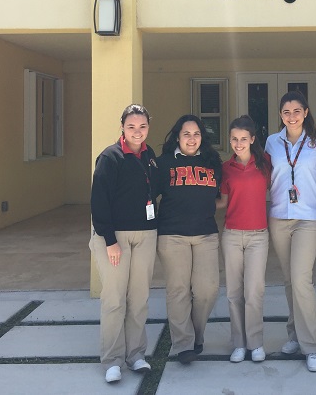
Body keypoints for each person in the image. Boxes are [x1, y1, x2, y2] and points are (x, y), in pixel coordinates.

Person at [89, 104, 157, 383]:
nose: (137, 132)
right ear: (122, 128)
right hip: (114, 237)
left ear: (148, 128)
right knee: (115, 299)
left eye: (142, 126)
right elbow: (98, 201)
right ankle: (113, 360)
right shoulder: (110, 156)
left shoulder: (150, 155)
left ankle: (136, 354)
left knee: (139, 299)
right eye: (131, 127)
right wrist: (110, 240)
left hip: (146, 236)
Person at [264, 91, 316, 372]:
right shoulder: (271, 142)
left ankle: (312, 345)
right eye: (286, 112)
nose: (292, 116)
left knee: (302, 279)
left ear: (306, 112)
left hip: (308, 218)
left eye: (297, 111)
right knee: (289, 280)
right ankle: (295, 335)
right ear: (280, 115)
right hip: (279, 216)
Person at [155, 114, 223, 364]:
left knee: (207, 289)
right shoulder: (163, 164)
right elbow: (149, 197)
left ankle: (197, 334)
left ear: (202, 137)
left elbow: (219, 197)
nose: (192, 139)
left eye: (196, 134)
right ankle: (183, 344)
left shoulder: (213, 162)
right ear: (177, 137)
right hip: (172, 235)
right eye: (186, 134)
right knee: (179, 290)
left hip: (206, 233)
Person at [216, 115, 272, 364]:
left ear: (252, 139)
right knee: (234, 292)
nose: (238, 144)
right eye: (234, 139)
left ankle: (256, 342)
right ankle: (239, 343)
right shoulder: (226, 168)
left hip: (259, 236)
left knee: (254, 291)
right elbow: (223, 202)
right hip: (231, 235)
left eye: (243, 139)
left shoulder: (266, 164)